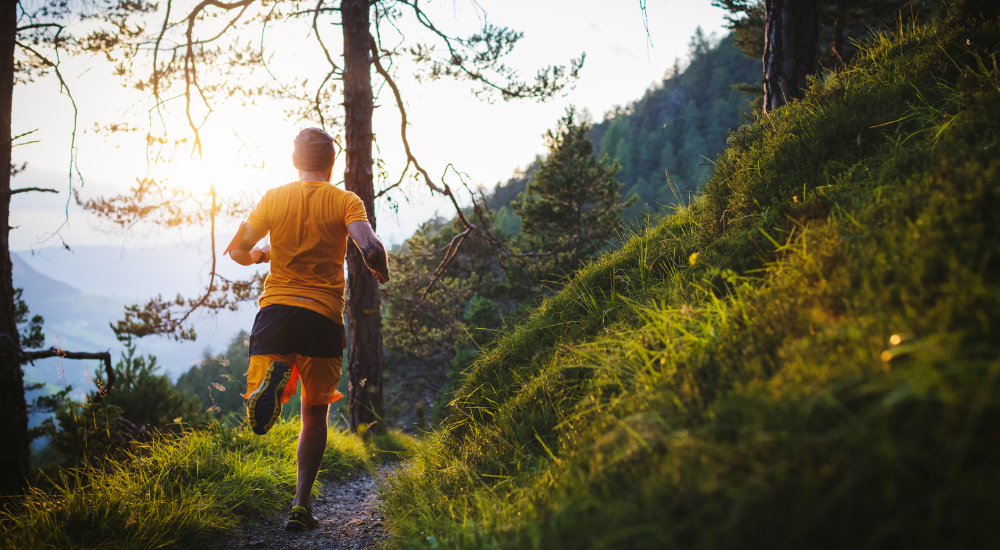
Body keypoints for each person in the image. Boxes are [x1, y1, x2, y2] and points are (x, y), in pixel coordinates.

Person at [224, 127, 389, 532]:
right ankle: (300, 505)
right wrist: (380, 270)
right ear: (331, 163)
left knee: (272, 367)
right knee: (314, 415)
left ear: (296, 162)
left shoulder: (273, 197)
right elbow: (369, 246)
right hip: (322, 317)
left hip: (277, 310)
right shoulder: (344, 200)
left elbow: (237, 251)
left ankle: (271, 384)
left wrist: (263, 252)